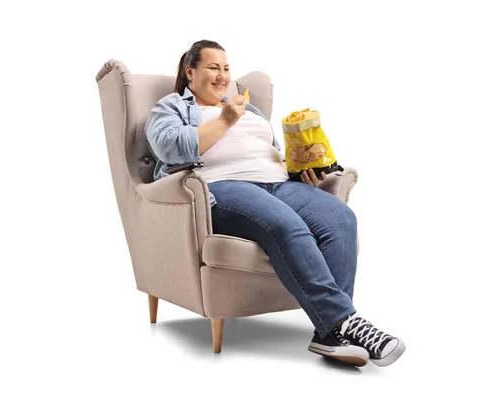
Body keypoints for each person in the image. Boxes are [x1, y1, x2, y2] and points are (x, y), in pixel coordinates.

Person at [145, 39, 406, 367]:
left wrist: (301, 172)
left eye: (226, 68)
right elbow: (170, 148)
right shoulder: (173, 107)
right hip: (223, 186)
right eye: (213, 67)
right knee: (286, 224)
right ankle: (345, 323)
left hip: (278, 184)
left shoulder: (249, 110)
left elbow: (270, 153)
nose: (222, 76)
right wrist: (225, 119)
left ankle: (330, 336)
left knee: (341, 219)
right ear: (190, 71)